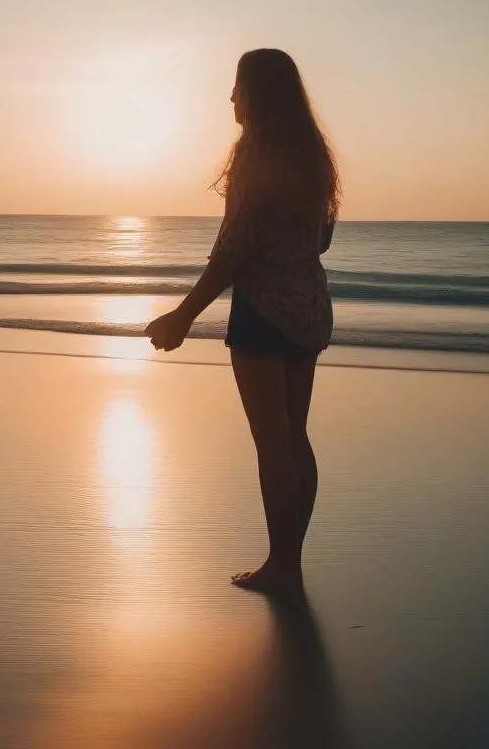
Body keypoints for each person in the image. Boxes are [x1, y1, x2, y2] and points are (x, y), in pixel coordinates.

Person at [145, 48, 339, 595]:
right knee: (296, 437)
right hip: (308, 307)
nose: (230, 97)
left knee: (271, 442)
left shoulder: (254, 154)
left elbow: (231, 250)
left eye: (236, 87)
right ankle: (290, 561)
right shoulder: (314, 156)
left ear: (256, 93)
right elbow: (324, 236)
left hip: (262, 312)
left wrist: (182, 315)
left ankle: (282, 567)